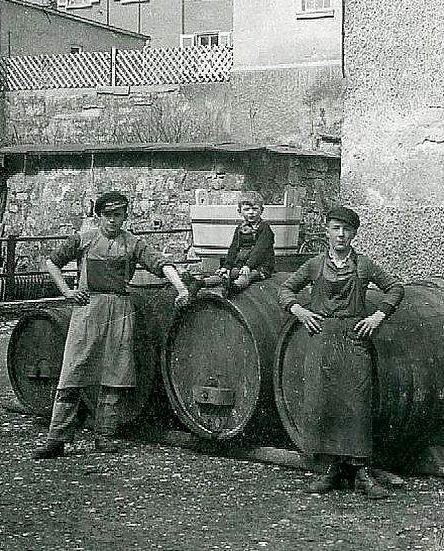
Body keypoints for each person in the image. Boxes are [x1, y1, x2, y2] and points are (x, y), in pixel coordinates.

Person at [31, 191, 191, 459]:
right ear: (99, 216)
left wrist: (181, 288)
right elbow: (52, 262)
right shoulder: (84, 239)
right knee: (73, 372)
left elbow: (161, 264)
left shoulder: (132, 243)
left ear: (125, 216)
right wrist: (67, 292)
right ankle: (56, 439)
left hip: (120, 312)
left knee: (115, 374)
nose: (113, 221)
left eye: (118, 215)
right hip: (87, 311)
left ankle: (104, 436)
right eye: (108, 215)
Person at [278, 206, 403, 499]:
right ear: (327, 231)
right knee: (324, 403)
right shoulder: (313, 265)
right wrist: (299, 311)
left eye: (346, 229)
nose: (341, 234)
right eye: (335, 228)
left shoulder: (364, 265)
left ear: (354, 233)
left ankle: (361, 473)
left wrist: (377, 317)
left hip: (354, 340)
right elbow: (285, 289)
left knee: (357, 403)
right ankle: (330, 470)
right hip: (321, 341)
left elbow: (395, 288)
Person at [200, 192, 275, 295]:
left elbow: (259, 250)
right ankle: (201, 283)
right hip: (242, 265)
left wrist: (249, 265)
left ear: (261, 210)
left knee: (248, 276)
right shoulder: (240, 228)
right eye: (247, 209)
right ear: (239, 211)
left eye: (255, 209)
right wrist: (227, 266)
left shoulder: (264, 228)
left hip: (260, 266)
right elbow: (233, 248)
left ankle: (235, 287)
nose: (251, 212)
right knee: (228, 274)